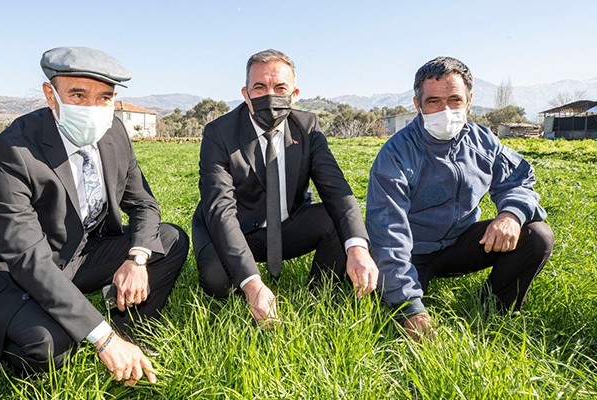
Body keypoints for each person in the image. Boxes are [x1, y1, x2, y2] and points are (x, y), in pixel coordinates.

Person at [0, 46, 189, 383]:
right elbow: (26, 258)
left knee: (169, 240)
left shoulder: (114, 133)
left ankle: (128, 334)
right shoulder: (11, 152)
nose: (92, 108)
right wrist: (102, 338)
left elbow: (143, 204)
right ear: (51, 95)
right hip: (20, 273)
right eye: (78, 95)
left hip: (82, 254)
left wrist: (136, 259)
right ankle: (97, 334)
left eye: (104, 97)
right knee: (49, 348)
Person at [366, 56, 554, 340]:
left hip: (463, 244)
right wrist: (410, 307)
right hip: (412, 252)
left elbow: (518, 179)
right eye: (433, 102)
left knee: (537, 235)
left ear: (469, 101)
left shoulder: (483, 141)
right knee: (393, 324)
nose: (445, 110)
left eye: (454, 100)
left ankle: (493, 311)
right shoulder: (396, 154)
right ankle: (408, 298)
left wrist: (511, 215)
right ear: (418, 104)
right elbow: (388, 232)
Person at [192, 49, 378, 325]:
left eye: (280, 88)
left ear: (295, 94)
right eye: (259, 87)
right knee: (216, 282)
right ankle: (250, 285)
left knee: (336, 221)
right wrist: (252, 284)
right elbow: (221, 210)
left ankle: (319, 294)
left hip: (287, 223)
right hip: (234, 228)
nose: (270, 95)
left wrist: (357, 249)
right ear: (246, 94)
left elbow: (337, 190)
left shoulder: (308, 127)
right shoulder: (219, 133)